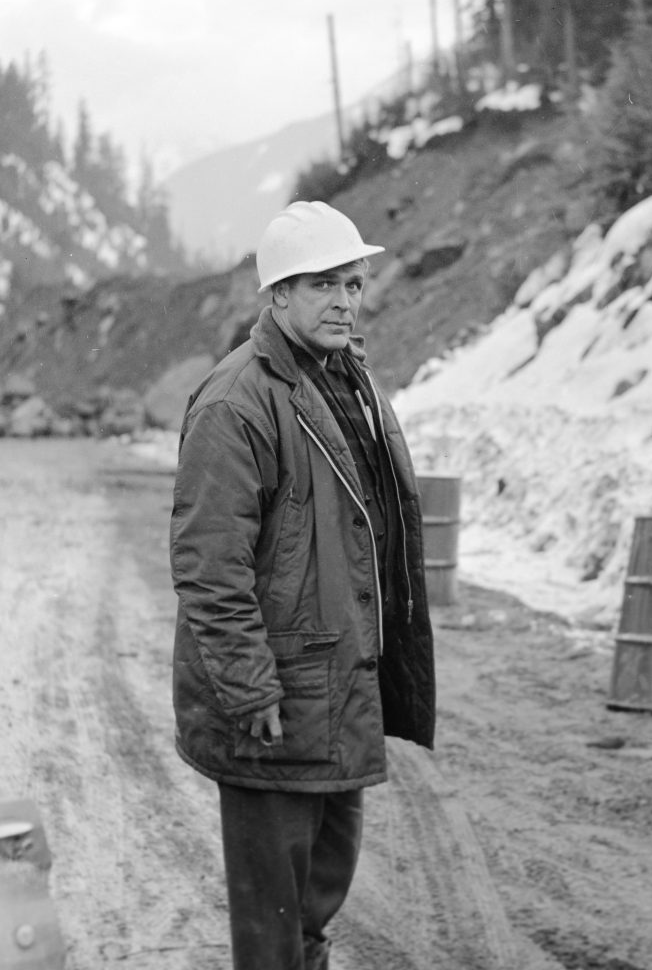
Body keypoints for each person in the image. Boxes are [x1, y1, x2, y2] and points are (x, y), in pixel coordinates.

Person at [170, 200, 436, 970]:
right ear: (277, 296)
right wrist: (250, 690)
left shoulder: (346, 378)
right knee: (273, 926)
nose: (345, 301)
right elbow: (208, 568)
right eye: (323, 285)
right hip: (277, 702)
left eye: (352, 284)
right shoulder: (235, 402)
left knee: (315, 903)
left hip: (334, 692)